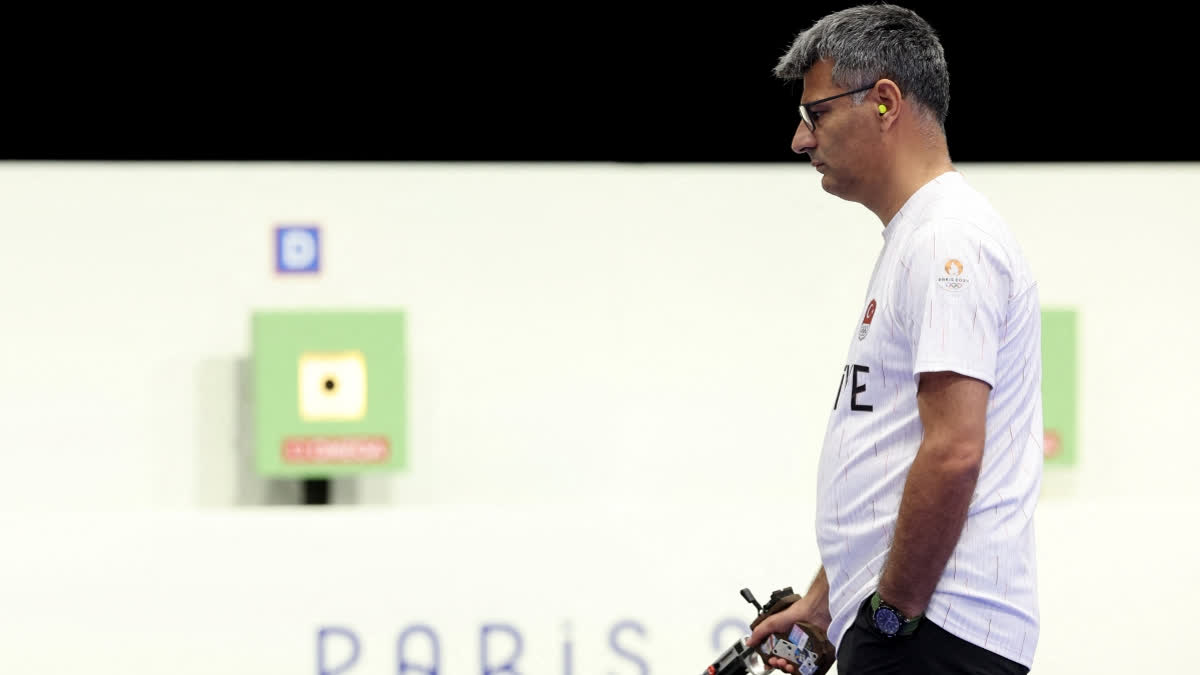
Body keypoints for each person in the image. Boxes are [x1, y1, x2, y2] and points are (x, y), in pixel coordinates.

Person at [745, 5, 1042, 674]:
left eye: (814, 114)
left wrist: (889, 614)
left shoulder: (947, 240)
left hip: (931, 630)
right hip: (917, 629)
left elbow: (955, 450)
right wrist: (825, 602)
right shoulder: (920, 236)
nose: (799, 139)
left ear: (884, 102)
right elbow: (895, 454)